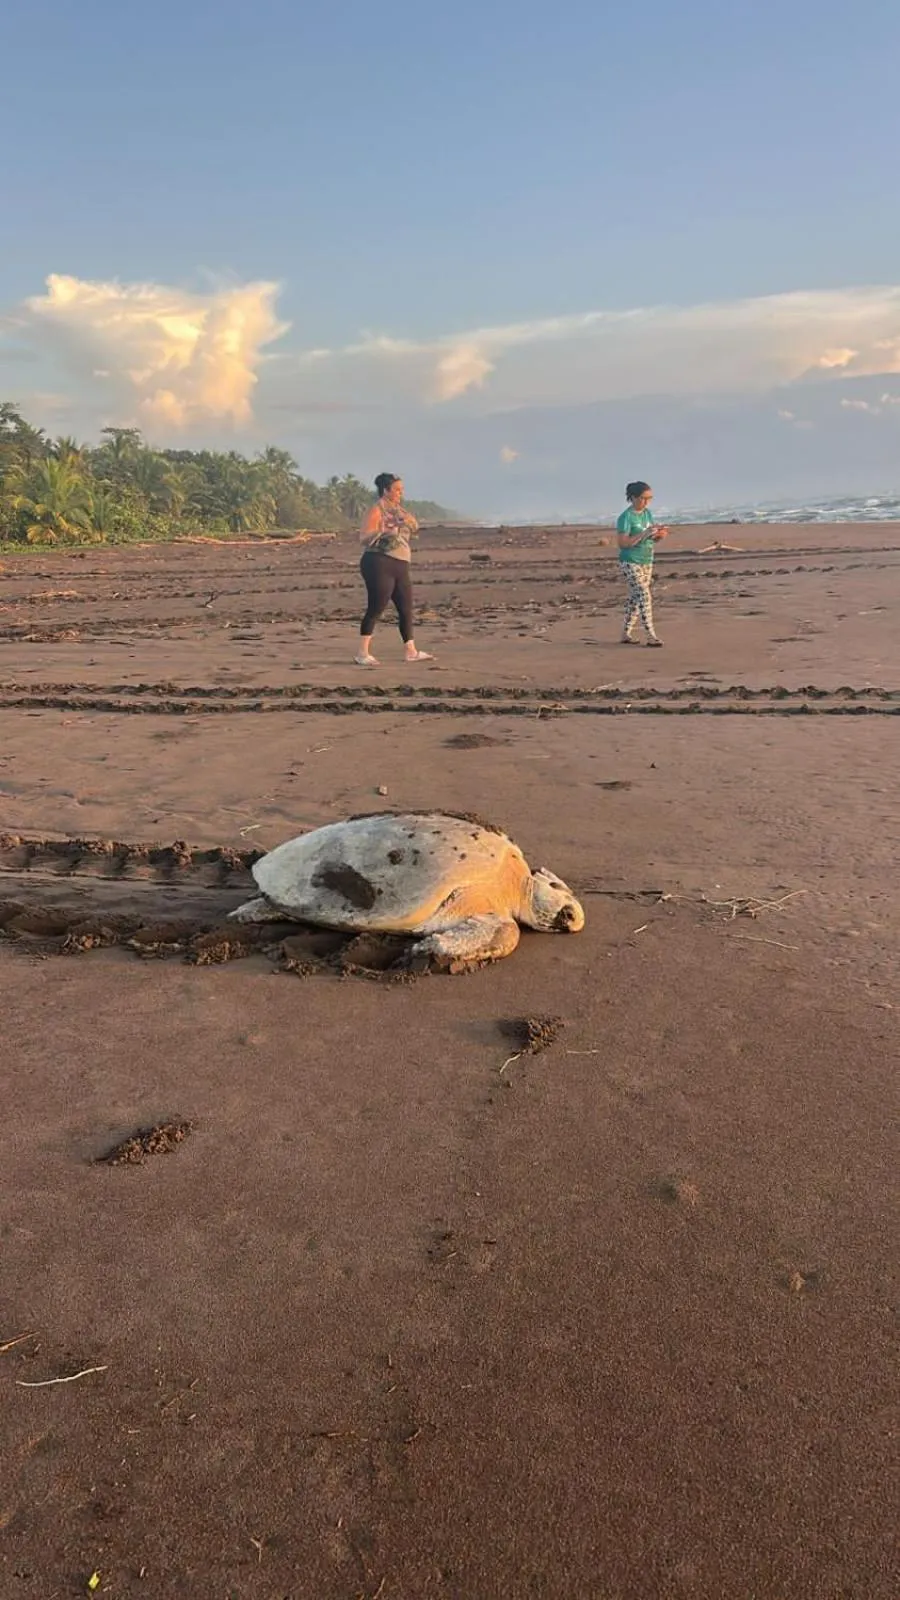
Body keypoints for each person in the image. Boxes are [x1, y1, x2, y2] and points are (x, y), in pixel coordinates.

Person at [355, 472, 434, 666]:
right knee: (377, 606)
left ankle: (411, 651)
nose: (401, 493)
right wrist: (382, 529)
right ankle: (362, 653)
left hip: (400, 564)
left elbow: (414, 527)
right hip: (378, 562)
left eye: (402, 489)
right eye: (397, 489)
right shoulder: (376, 510)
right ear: (386, 490)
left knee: (406, 607)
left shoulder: (400, 510)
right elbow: (363, 538)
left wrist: (406, 524)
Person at [616, 480, 668, 646]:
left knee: (635, 597)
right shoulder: (626, 517)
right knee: (644, 595)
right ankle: (651, 635)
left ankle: (626, 633)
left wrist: (658, 534)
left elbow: (650, 538)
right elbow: (623, 543)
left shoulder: (647, 514)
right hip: (631, 560)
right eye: (643, 498)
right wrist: (644, 533)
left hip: (647, 559)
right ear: (633, 498)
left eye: (649, 498)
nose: (646, 502)